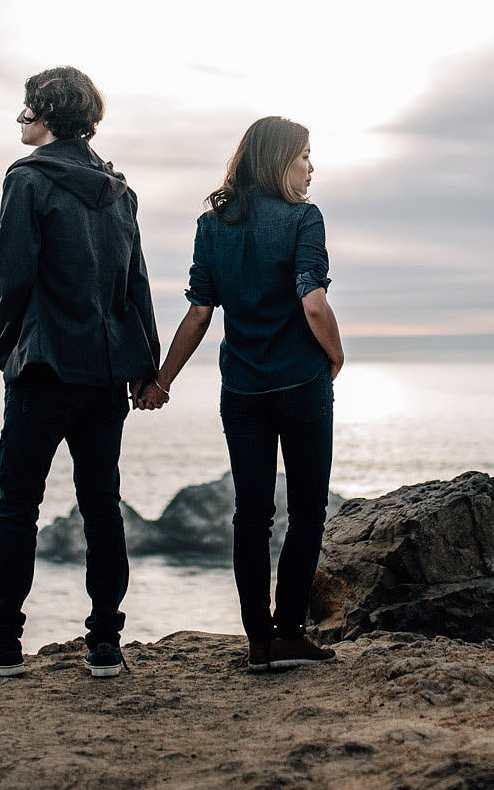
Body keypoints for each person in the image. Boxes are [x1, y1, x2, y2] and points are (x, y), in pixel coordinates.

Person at [0, 67, 161, 679]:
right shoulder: (121, 191)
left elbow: (11, 278)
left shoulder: (27, 180)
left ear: (47, 115)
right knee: (102, 506)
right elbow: (135, 287)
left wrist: (9, 344)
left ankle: (1, 644)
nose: (20, 120)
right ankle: (105, 645)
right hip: (106, 377)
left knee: (18, 508)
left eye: (27, 110)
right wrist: (145, 369)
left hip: (42, 370)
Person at [146, 116, 346, 672]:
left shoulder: (213, 226)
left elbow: (200, 311)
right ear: (281, 160)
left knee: (250, 516)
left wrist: (163, 380)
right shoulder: (306, 219)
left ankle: (258, 643)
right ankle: (289, 634)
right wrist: (336, 354)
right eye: (305, 155)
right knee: (307, 513)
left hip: (242, 391)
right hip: (303, 386)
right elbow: (313, 303)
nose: (312, 167)